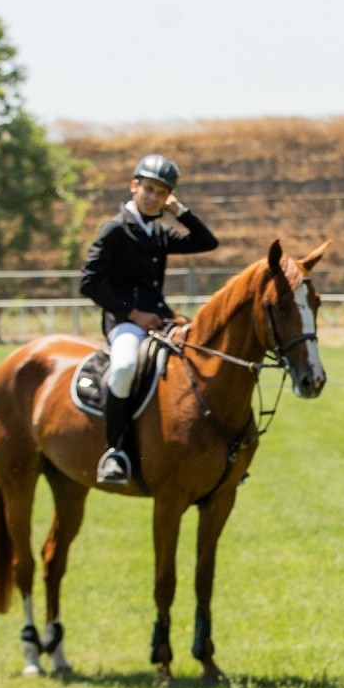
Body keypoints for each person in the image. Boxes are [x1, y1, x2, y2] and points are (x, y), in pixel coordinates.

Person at [79, 154, 219, 485]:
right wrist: (133, 314)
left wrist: (180, 212)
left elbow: (207, 242)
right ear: (134, 186)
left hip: (160, 319)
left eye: (161, 192)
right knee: (126, 366)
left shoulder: (158, 231)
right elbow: (89, 282)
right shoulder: (114, 230)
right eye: (149, 189)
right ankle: (115, 451)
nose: (154, 197)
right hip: (126, 321)